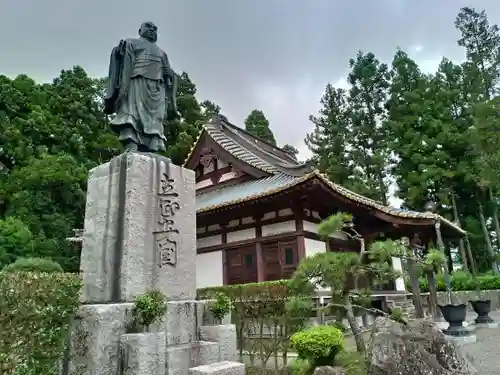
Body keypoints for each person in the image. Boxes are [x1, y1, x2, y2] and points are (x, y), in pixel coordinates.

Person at [104, 21, 179, 152]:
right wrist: (118, 52)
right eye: (148, 27)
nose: (152, 30)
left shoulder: (162, 53)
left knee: (156, 118)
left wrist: (169, 74)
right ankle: (131, 141)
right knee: (132, 113)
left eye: (155, 29)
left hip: (157, 87)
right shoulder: (132, 43)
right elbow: (122, 60)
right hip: (136, 82)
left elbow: (171, 76)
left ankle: (152, 144)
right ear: (140, 31)